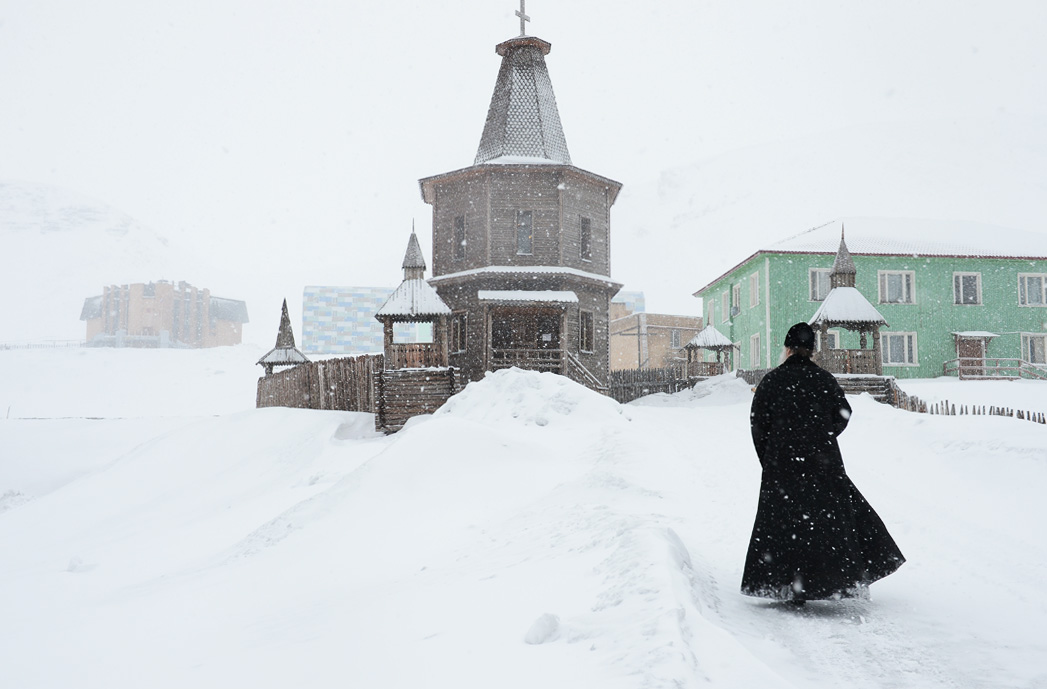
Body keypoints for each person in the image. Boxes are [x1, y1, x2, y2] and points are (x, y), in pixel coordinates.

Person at [742, 322, 905, 604]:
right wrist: (821, 439)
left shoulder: (772, 381)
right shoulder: (824, 380)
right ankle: (828, 581)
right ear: (811, 351)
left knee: (786, 525)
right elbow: (843, 414)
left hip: (782, 466)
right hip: (822, 464)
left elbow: (758, 425)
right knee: (826, 523)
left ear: (788, 349)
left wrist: (770, 458)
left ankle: (789, 585)